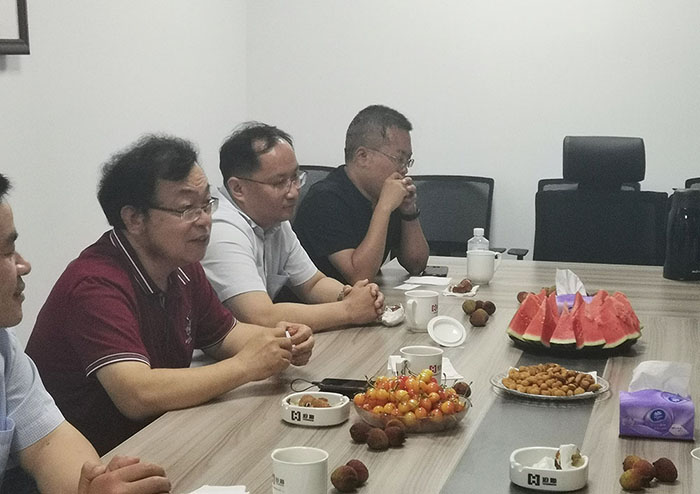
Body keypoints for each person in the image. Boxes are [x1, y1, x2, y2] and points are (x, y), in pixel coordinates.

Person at [26, 136, 314, 455]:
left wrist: (281, 340)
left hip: (161, 437)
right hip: (97, 460)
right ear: (134, 219)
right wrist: (246, 366)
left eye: (206, 204)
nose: (205, 220)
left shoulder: (182, 265)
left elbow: (225, 335)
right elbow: (137, 395)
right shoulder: (95, 284)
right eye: (186, 209)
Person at [0, 174, 170, 493]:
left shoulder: (4, 347)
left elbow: (48, 442)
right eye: (7, 252)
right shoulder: (94, 280)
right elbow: (136, 392)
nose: (24, 265)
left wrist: (93, 484)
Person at [201, 122, 384, 331]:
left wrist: (353, 295)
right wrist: (349, 310)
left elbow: (313, 284)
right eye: (279, 183)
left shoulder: (273, 219)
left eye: (295, 177)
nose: (294, 191)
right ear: (238, 188)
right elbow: (260, 317)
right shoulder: (221, 228)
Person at [294, 104, 429, 284]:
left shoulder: (383, 193)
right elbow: (359, 277)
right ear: (362, 157)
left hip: (362, 299)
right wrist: (384, 207)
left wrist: (408, 211)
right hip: (317, 301)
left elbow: (416, 264)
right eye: (399, 159)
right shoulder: (324, 200)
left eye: (407, 161)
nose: (404, 170)